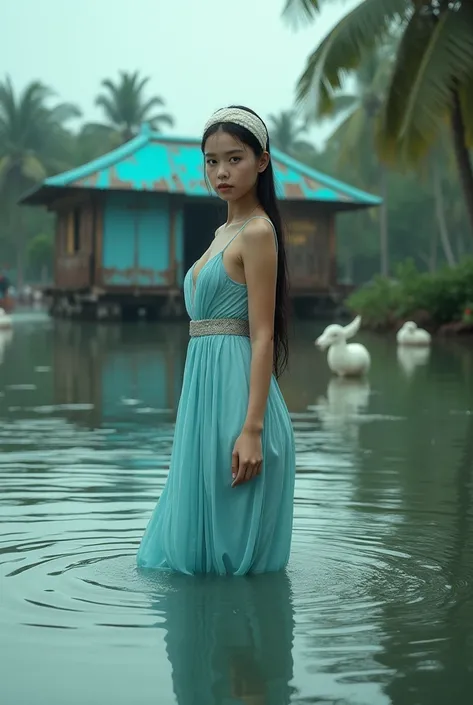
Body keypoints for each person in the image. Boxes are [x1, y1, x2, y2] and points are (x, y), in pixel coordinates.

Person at [136, 105, 295, 575]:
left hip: (238, 404)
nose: (221, 172)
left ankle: (240, 637)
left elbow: (263, 334)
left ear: (261, 161)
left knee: (229, 547)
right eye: (211, 161)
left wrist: (252, 430)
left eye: (234, 159)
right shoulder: (222, 233)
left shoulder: (258, 231)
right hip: (203, 397)